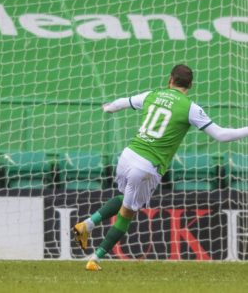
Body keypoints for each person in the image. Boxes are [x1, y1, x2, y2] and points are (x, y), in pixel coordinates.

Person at [73, 64, 248, 270]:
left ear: (170, 80)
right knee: (127, 211)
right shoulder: (190, 108)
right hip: (147, 166)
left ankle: (87, 225)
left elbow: (124, 102)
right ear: (190, 84)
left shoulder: (154, 94)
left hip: (127, 155)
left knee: (125, 199)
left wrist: (109, 108)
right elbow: (221, 135)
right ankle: (95, 258)